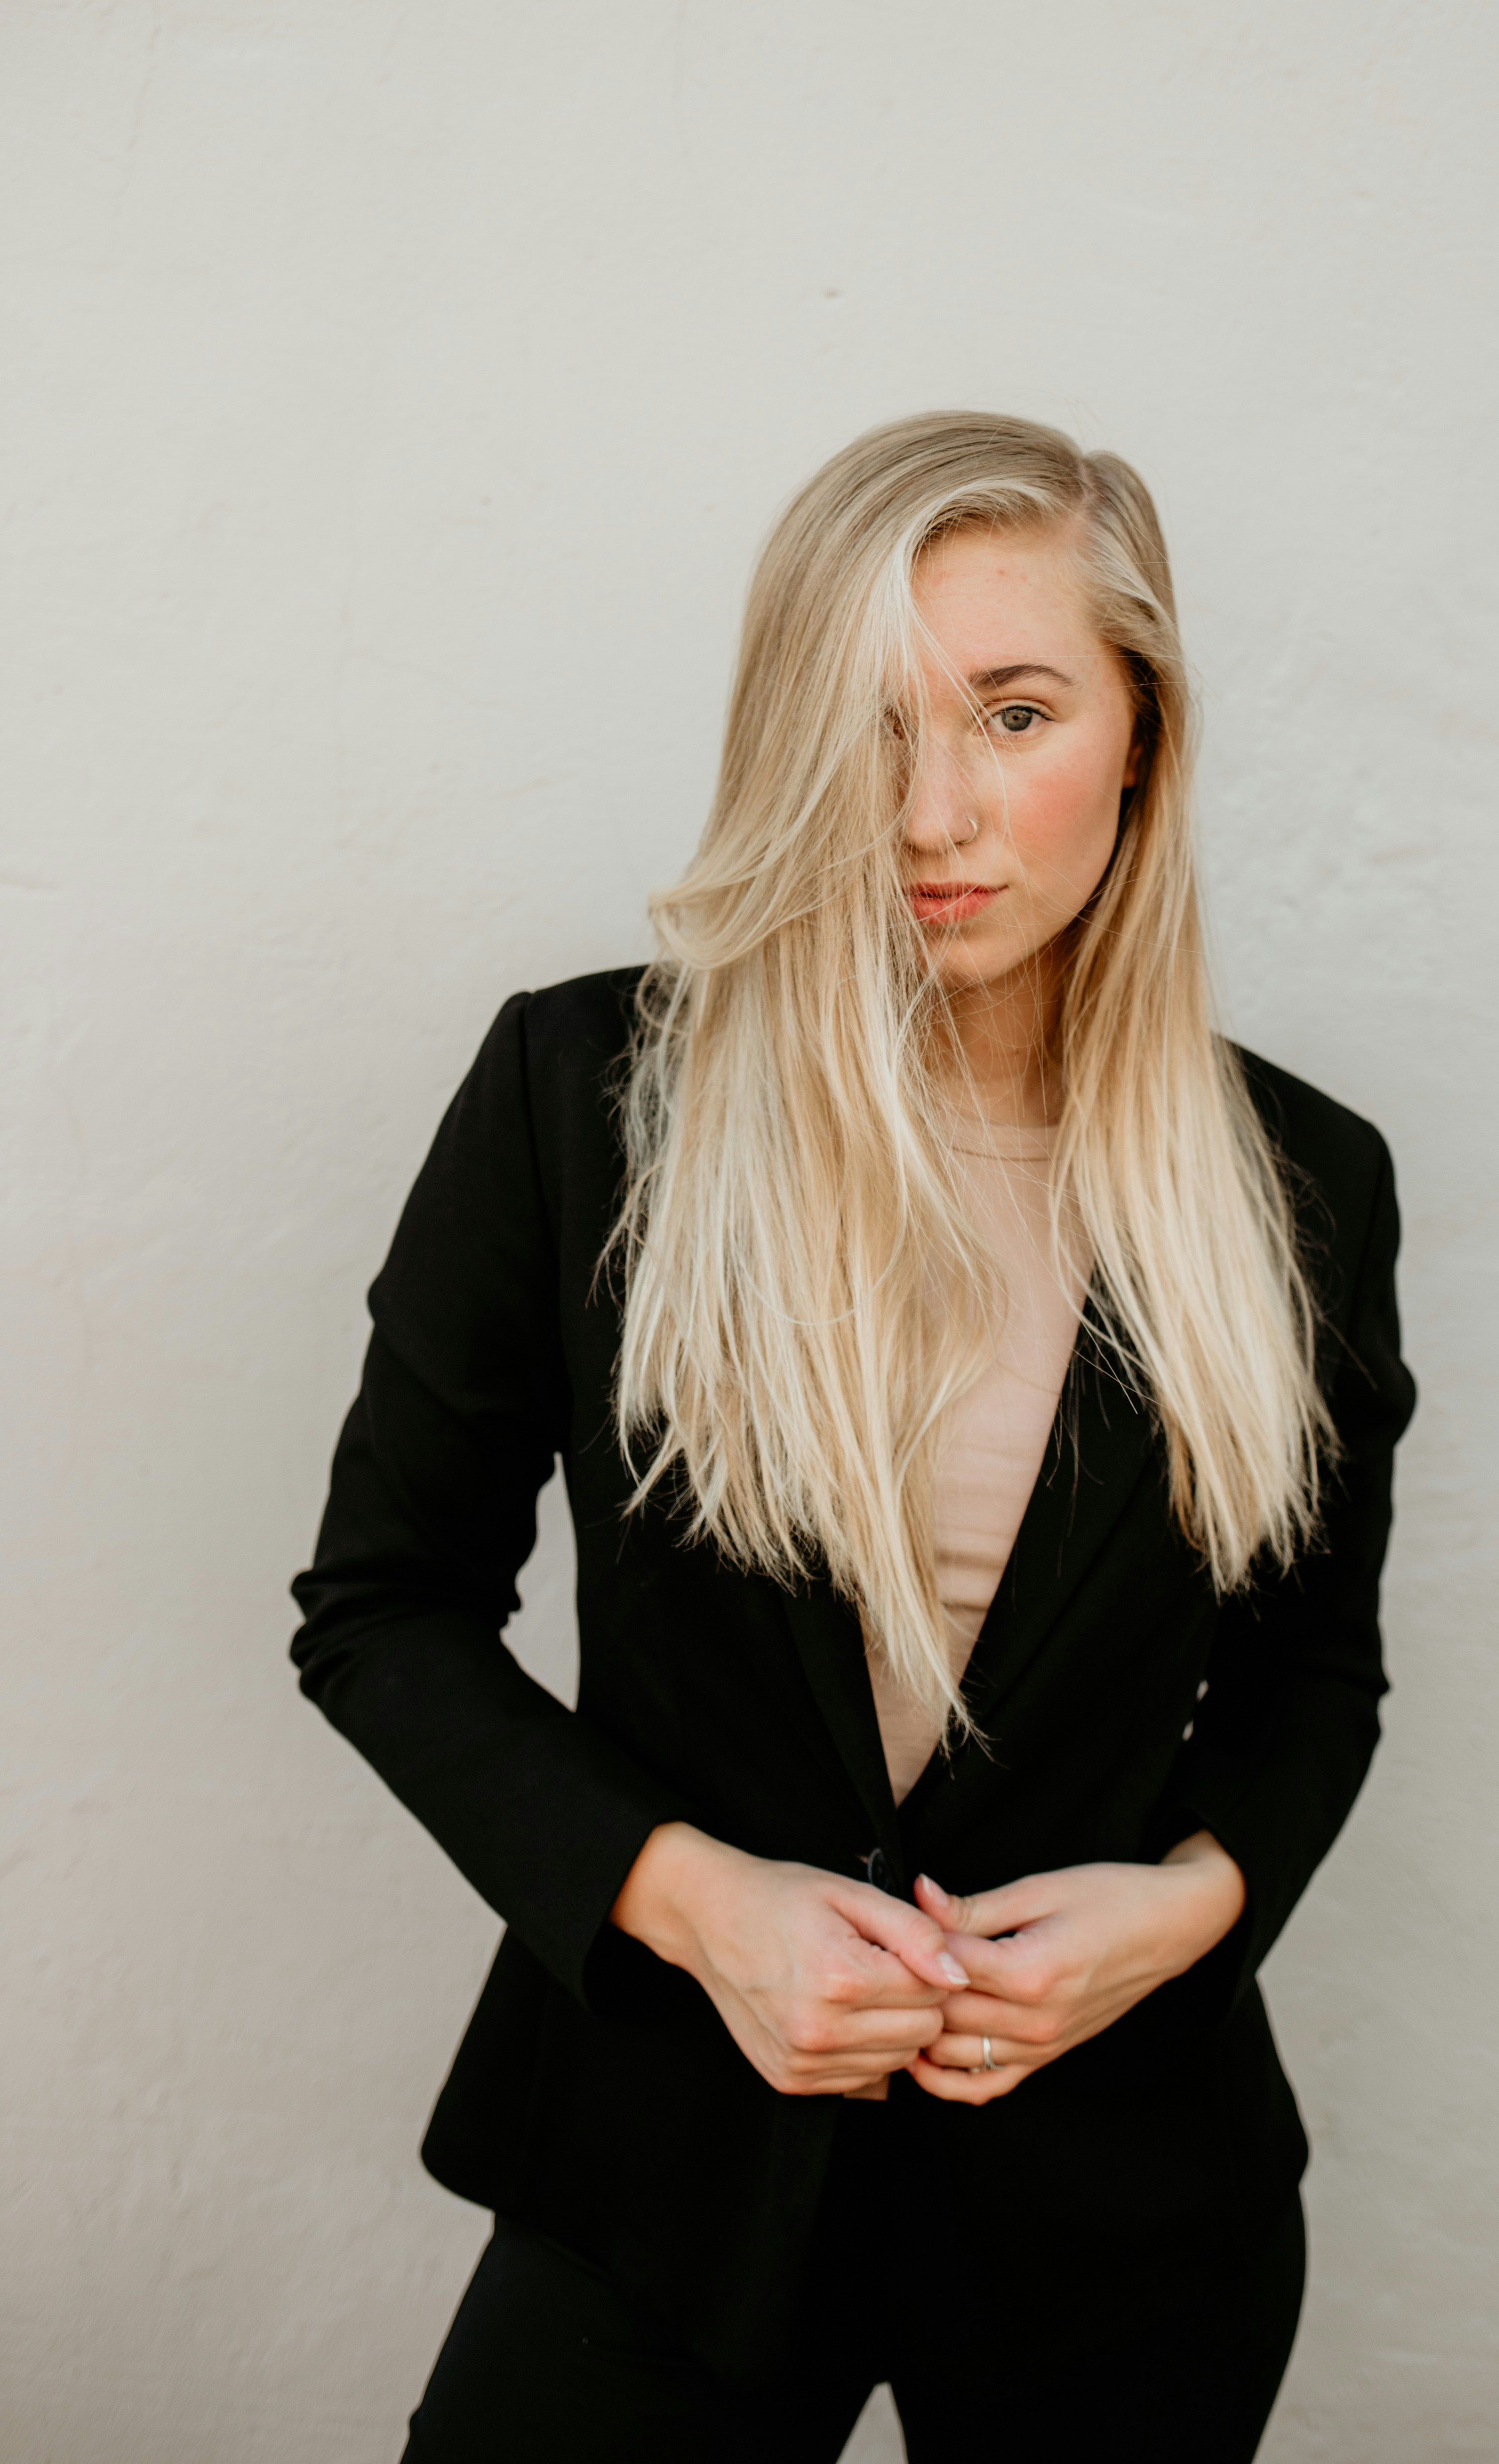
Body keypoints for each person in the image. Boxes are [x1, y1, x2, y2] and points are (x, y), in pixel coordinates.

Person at [290, 410, 1415, 2461]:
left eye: (1014, 710)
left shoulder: (1305, 1184)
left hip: (1123, 2204)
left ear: (1143, 731)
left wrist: (1182, 1907)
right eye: (873, 720)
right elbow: (382, 1607)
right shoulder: (582, 1097)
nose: (935, 808)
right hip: (665, 2170)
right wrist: (695, 1900)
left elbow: (1311, 1675)